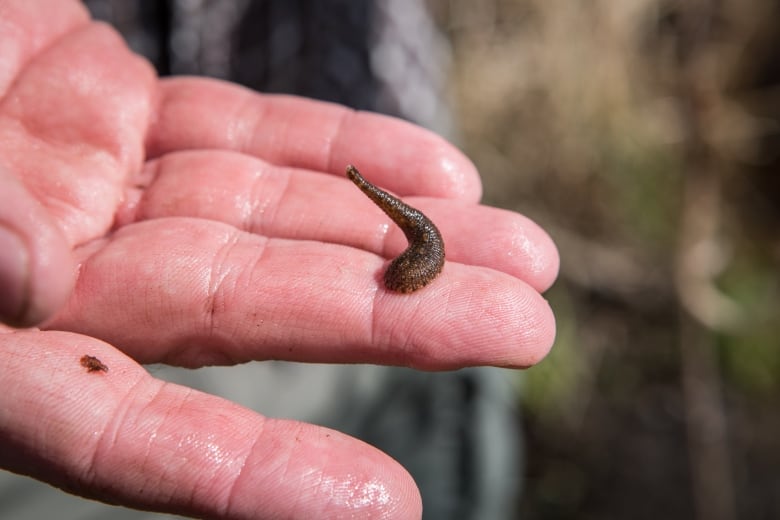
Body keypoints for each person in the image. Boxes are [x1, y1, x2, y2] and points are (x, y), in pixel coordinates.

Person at [0, 1, 559, 518]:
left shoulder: (418, 239)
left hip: (367, 94)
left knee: (438, 431)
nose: (400, 275)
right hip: (175, 165)